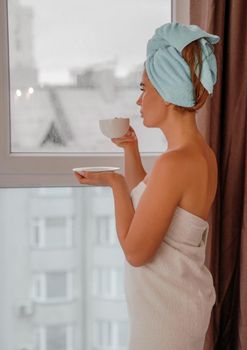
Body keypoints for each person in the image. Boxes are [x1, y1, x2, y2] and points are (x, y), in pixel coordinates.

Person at [74, 22, 220, 350]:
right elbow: (155, 208)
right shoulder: (199, 154)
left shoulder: (175, 162)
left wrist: (114, 183)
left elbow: (136, 251)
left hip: (167, 319)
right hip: (179, 306)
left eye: (144, 88)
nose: (138, 101)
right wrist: (130, 150)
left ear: (168, 92)